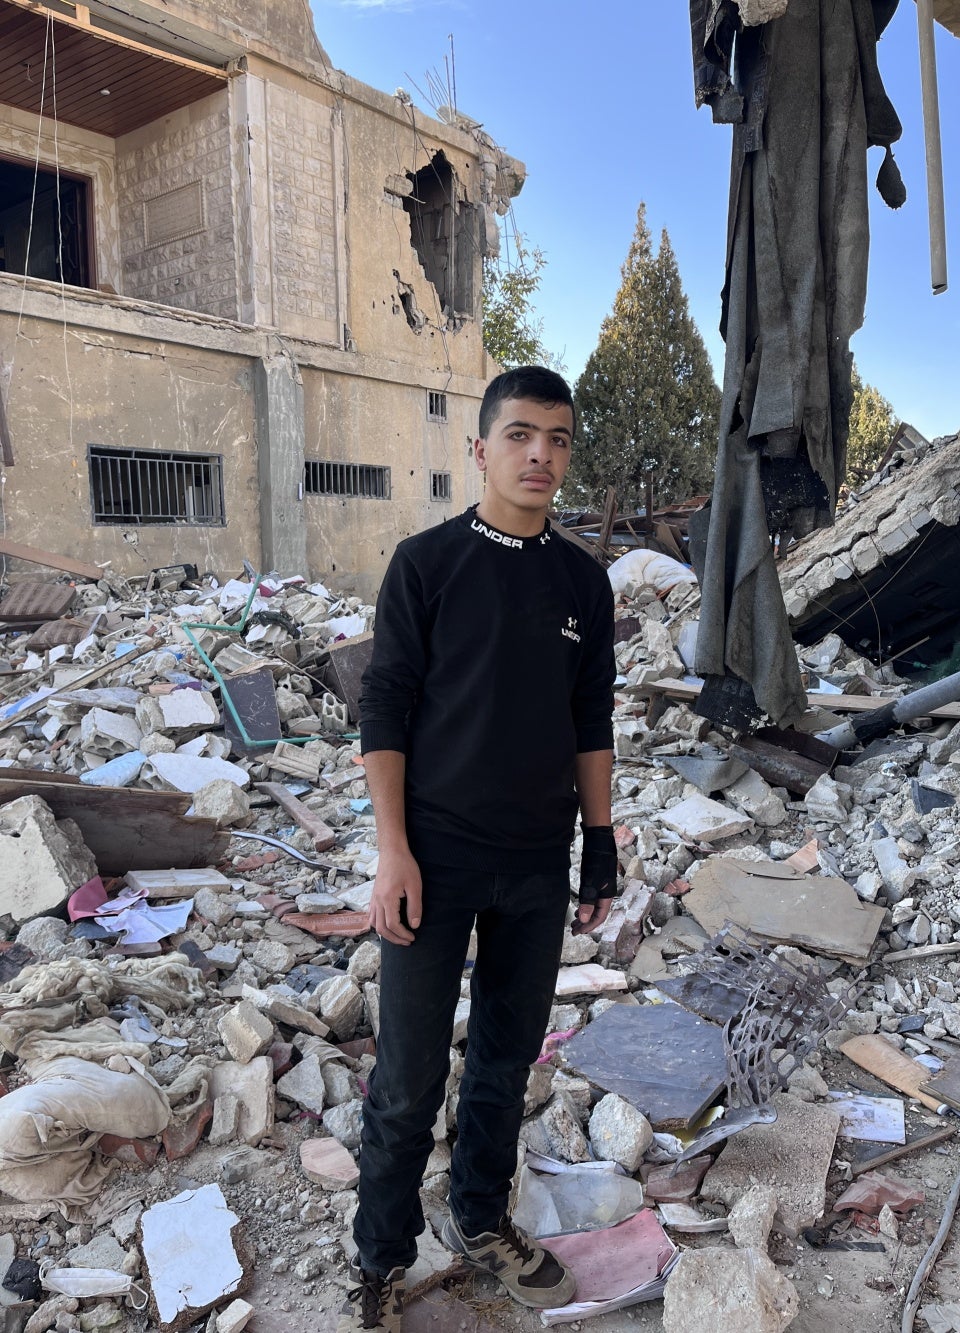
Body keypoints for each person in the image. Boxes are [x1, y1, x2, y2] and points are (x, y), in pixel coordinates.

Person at [342, 366, 618, 1333]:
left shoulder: (584, 582)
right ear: (481, 449)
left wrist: (603, 848)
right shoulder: (427, 565)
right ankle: (379, 1259)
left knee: (504, 1062)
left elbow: (593, 723)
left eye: (559, 437)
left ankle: (480, 1220)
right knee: (409, 1076)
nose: (541, 453)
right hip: (437, 857)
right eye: (521, 435)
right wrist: (392, 851)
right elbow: (384, 707)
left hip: (537, 869)